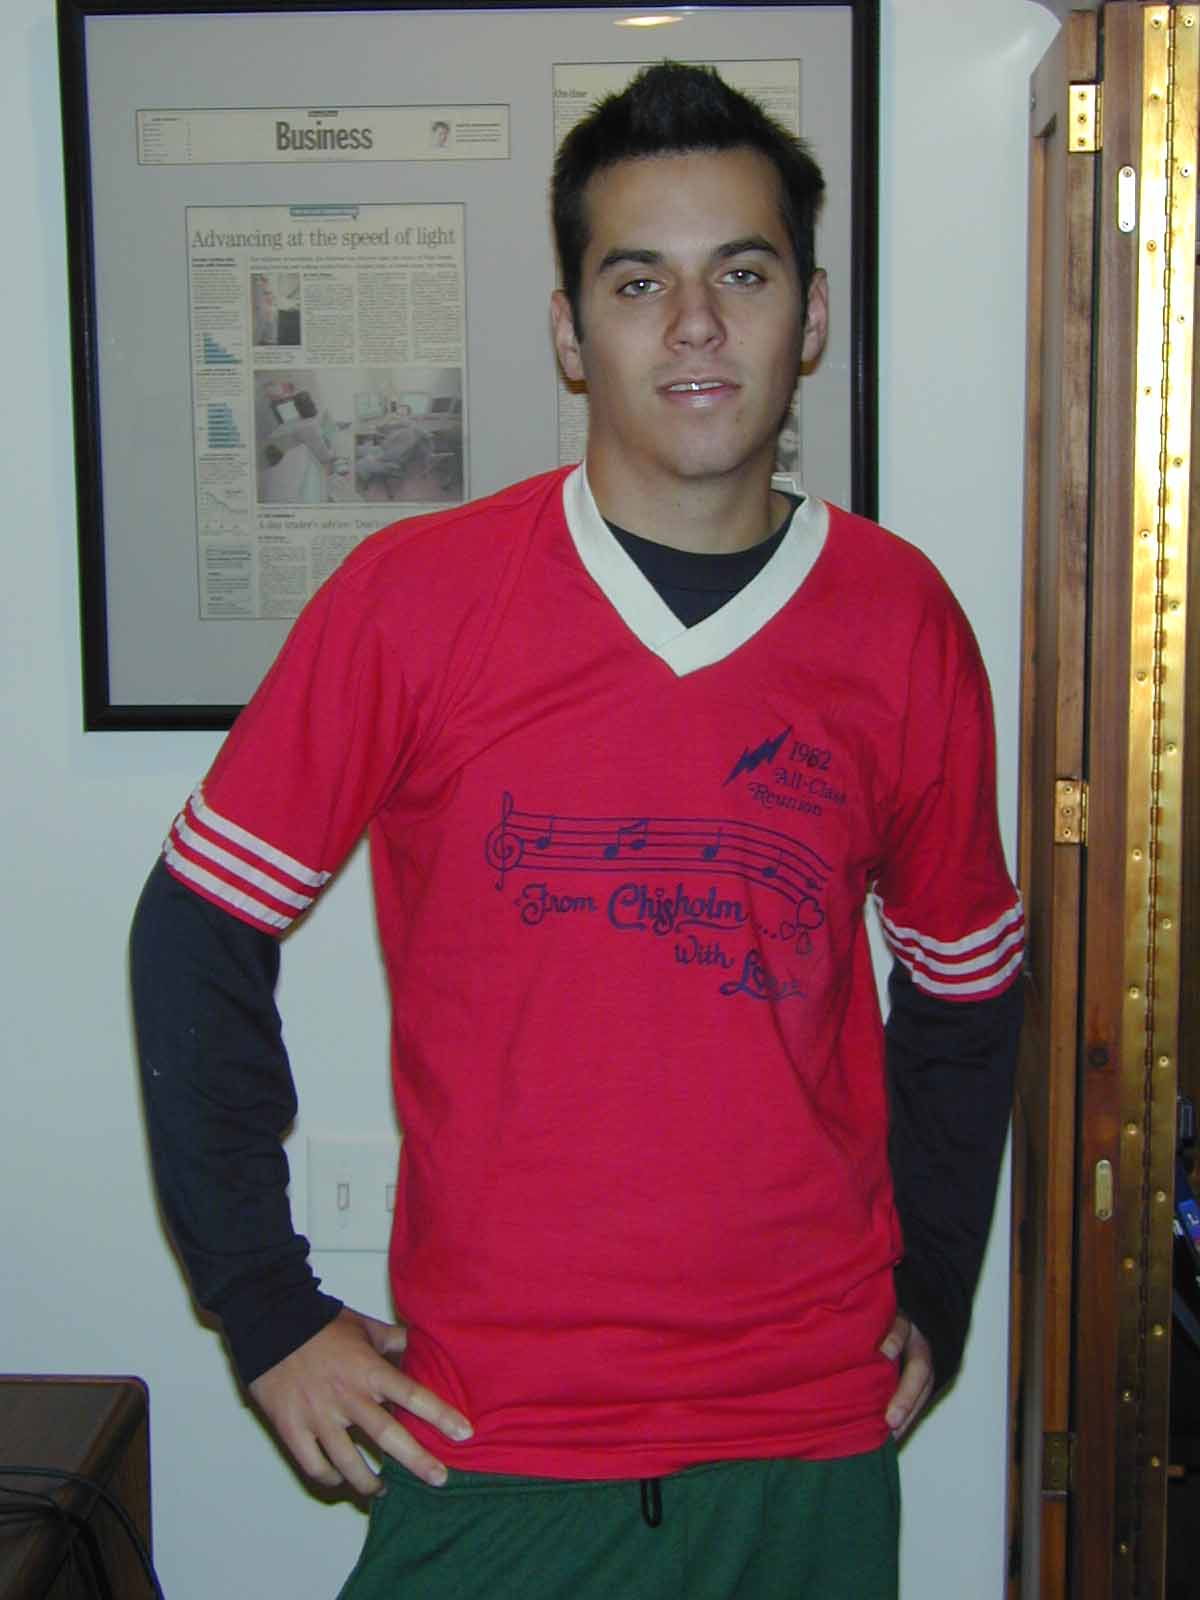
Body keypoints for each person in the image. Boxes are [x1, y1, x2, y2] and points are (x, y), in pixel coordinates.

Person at [131, 62, 1023, 1600]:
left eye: (743, 273)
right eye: (638, 281)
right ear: (569, 332)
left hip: (804, 1444)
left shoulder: (902, 621)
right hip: (493, 1441)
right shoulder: (413, 604)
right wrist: (267, 1310)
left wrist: (935, 1286)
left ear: (811, 315)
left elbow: (966, 988)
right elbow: (197, 931)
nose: (696, 325)